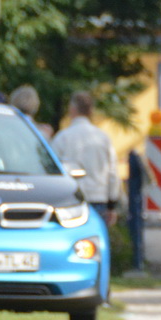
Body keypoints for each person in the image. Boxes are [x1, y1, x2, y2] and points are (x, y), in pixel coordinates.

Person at [51, 92, 122, 223]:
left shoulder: (62, 138)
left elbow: (53, 170)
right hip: (99, 199)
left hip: (72, 200)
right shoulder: (103, 138)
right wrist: (112, 205)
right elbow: (113, 173)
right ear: (91, 111)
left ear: (72, 109)